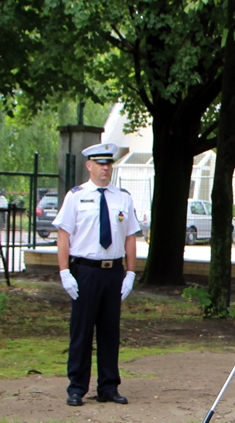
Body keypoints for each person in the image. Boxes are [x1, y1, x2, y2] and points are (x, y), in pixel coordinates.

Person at [53, 143, 140, 407]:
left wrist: (131, 273)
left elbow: (130, 237)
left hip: (112, 271)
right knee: (81, 331)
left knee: (109, 331)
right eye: (100, 164)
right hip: (86, 271)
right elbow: (63, 236)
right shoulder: (76, 196)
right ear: (89, 166)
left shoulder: (122, 197)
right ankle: (77, 387)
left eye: (109, 164)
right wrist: (65, 271)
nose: (105, 168)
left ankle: (108, 386)